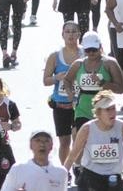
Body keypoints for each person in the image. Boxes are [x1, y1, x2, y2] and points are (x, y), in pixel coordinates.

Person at [66, 90, 123, 191]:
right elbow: (73, 154)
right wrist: (63, 174)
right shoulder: (87, 129)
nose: (112, 113)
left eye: (113, 108)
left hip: (113, 178)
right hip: (90, 177)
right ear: (98, 113)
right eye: (107, 110)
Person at [43, 21, 83, 168]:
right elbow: (45, 80)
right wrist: (56, 78)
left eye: (74, 31)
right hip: (61, 104)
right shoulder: (55, 56)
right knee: (64, 141)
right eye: (67, 31)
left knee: (78, 137)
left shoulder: (86, 54)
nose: (70, 35)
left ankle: (78, 166)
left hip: (80, 104)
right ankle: (65, 170)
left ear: (79, 34)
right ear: (62, 35)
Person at [0, 129, 70, 191]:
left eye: (46, 141)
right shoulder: (18, 169)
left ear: (51, 146)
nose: (42, 144)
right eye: (37, 140)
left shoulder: (61, 172)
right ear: (30, 145)